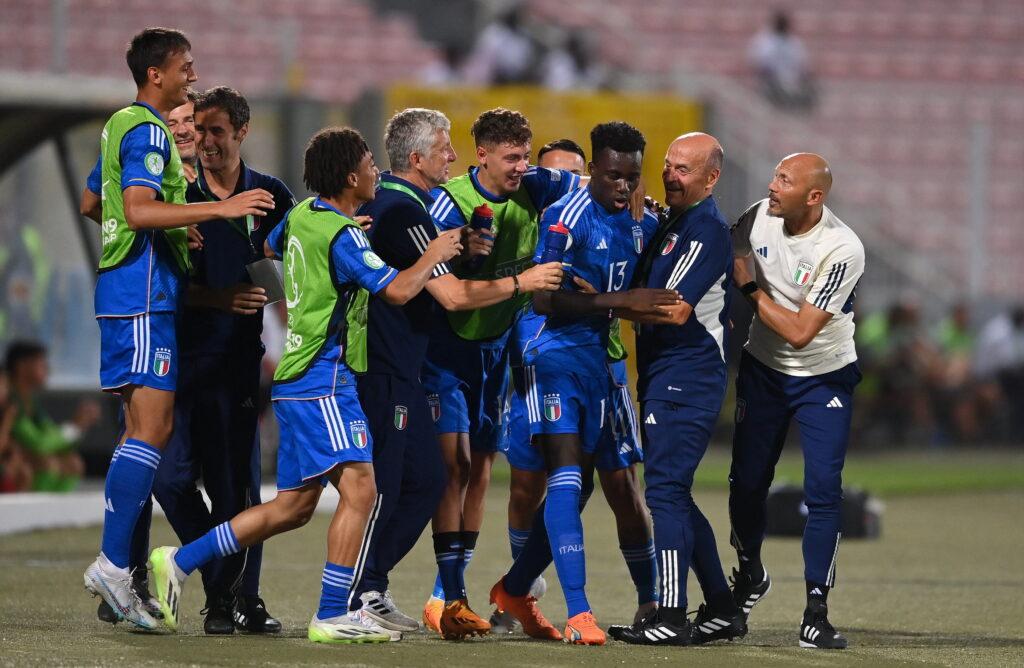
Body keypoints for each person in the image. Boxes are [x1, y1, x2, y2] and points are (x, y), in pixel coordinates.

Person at [148, 126, 462, 644]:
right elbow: (401, 291)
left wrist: (314, 265)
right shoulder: (340, 235)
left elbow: (269, 245)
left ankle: (178, 560)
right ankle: (332, 613)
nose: (375, 171)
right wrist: (433, 252)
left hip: (296, 374)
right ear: (348, 175)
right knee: (363, 488)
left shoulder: (303, 216)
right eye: (367, 161)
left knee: (292, 508)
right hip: (322, 377)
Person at [83, 27, 277, 631]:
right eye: (185, 67)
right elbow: (137, 209)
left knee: (144, 431)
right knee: (152, 431)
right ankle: (116, 566)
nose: (192, 76)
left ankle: (125, 570)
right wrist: (216, 209)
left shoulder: (121, 126)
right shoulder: (146, 129)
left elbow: (98, 204)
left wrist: (172, 228)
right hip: (143, 296)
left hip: (130, 294)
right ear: (157, 74)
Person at [346, 108, 563, 641]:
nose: (452, 156)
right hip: (419, 361)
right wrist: (522, 280)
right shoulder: (418, 208)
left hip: (476, 355)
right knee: (418, 478)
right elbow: (451, 296)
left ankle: (401, 592)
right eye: (444, 148)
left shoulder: (415, 205)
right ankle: (362, 592)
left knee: (453, 473)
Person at [489, 121, 681, 646]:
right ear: (593, 169)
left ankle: (647, 603)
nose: (622, 187)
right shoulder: (565, 216)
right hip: (549, 354)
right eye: (613, 175)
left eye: (631, 178)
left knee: (619, 480)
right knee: (563, 480)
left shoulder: (641, 219)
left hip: (600, 359)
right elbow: (545, 300)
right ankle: (578, 612)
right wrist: (618, 302)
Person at [420, 108, 585, 631]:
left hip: (495, 351)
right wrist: (525, 281)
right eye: (510, 158)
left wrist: (633, 199)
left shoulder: (534, 185)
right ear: (481, 155)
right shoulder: (449, 205)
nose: (520, 167)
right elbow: (451, 296)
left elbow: (589, 182)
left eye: (523, 156)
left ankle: (456, 595)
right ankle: (442, 594)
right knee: (453, 470)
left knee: (483, 471)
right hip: (445, 350)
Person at [147, 86, 295, 634]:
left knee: (239, 492)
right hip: (180, 363)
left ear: (242, 132)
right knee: (171, 482)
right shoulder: (177, 195)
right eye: (198, 129)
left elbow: (290, 266)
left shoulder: (271, 194)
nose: (203, 140)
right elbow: (159, 283)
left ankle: (237, 602)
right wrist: (215, 297)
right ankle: (217, 581)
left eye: (215, 131)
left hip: (236, 363)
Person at [610, 132, 745, 645]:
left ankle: (670, 613)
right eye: (667, 164)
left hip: (686, 377)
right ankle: (724, 606)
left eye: (683, 169)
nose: (669, 174)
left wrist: (597, 303)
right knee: (676, 493)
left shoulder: (705, 229)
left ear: (711, 178)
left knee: (664, 492)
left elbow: (673, 307)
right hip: (669, 374)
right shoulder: (677, 222)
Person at [728, 152, 864, 649]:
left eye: (783, 179)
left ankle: (815, 610)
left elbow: (801, 331)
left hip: (823, 377)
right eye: (775, 175)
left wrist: (747, 289)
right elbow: (732, 245)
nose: (772, 185)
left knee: (824, 490)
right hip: (763, 370)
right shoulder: (761, 212)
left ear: (814, 196)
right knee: (745, 484)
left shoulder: (843, 248)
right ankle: (748, 578)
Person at [4, 341, 95, 491]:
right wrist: (75, 427)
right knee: (46, 464)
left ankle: (59, 513)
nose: (47, 368)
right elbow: (39, 444)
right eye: (41, 363)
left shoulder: (31, 402)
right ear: (22, 366)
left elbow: (51, 436)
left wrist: (77, 427)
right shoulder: (10, 401)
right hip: (9, 467)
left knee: (73, 462)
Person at [748, 11, 816, 110]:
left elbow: (802, 65)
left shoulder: (794, 42)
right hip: (770, 83)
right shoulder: (764, 41)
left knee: (806, 92)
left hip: (791, 82)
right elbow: (757, 62)